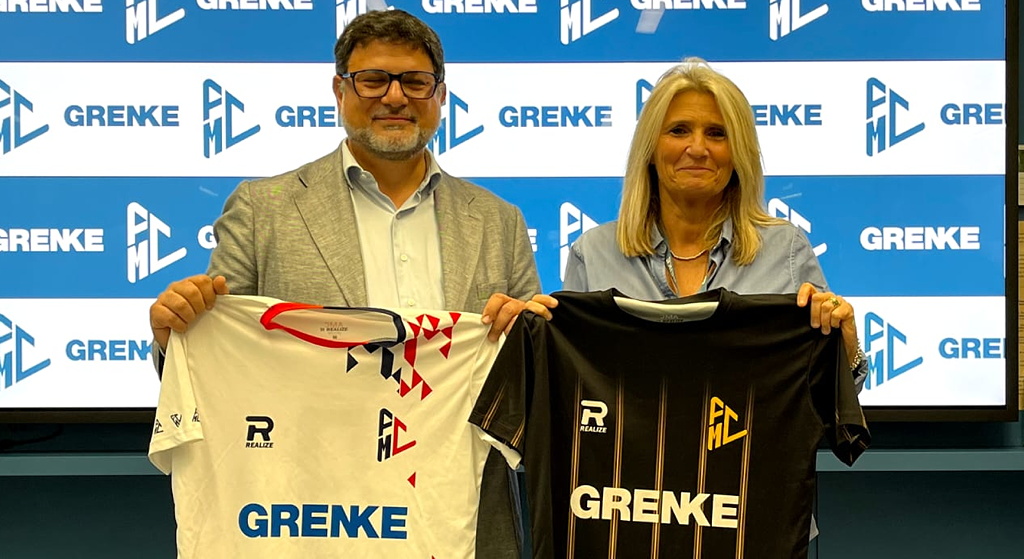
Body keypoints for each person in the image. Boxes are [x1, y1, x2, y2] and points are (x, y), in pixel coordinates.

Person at [148, 9, 553, 558]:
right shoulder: (263, 208)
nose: (395, 97)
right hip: (311, 517)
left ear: (440, 95)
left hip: (463, 517)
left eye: (415, 82)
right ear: (340, 90)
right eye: (373, 80)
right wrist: (176, 334)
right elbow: (221, 359)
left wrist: (529, 338)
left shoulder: (497, 220)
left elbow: (528, 390)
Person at [563, 58, 867, 389]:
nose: (697, 149)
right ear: (649, 148)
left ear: (738, 153)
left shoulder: (785, 249)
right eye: (679, 130)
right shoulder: (593, 253)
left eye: (717, 134)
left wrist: (845, 345)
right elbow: (570, 386)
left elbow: (827, 392)